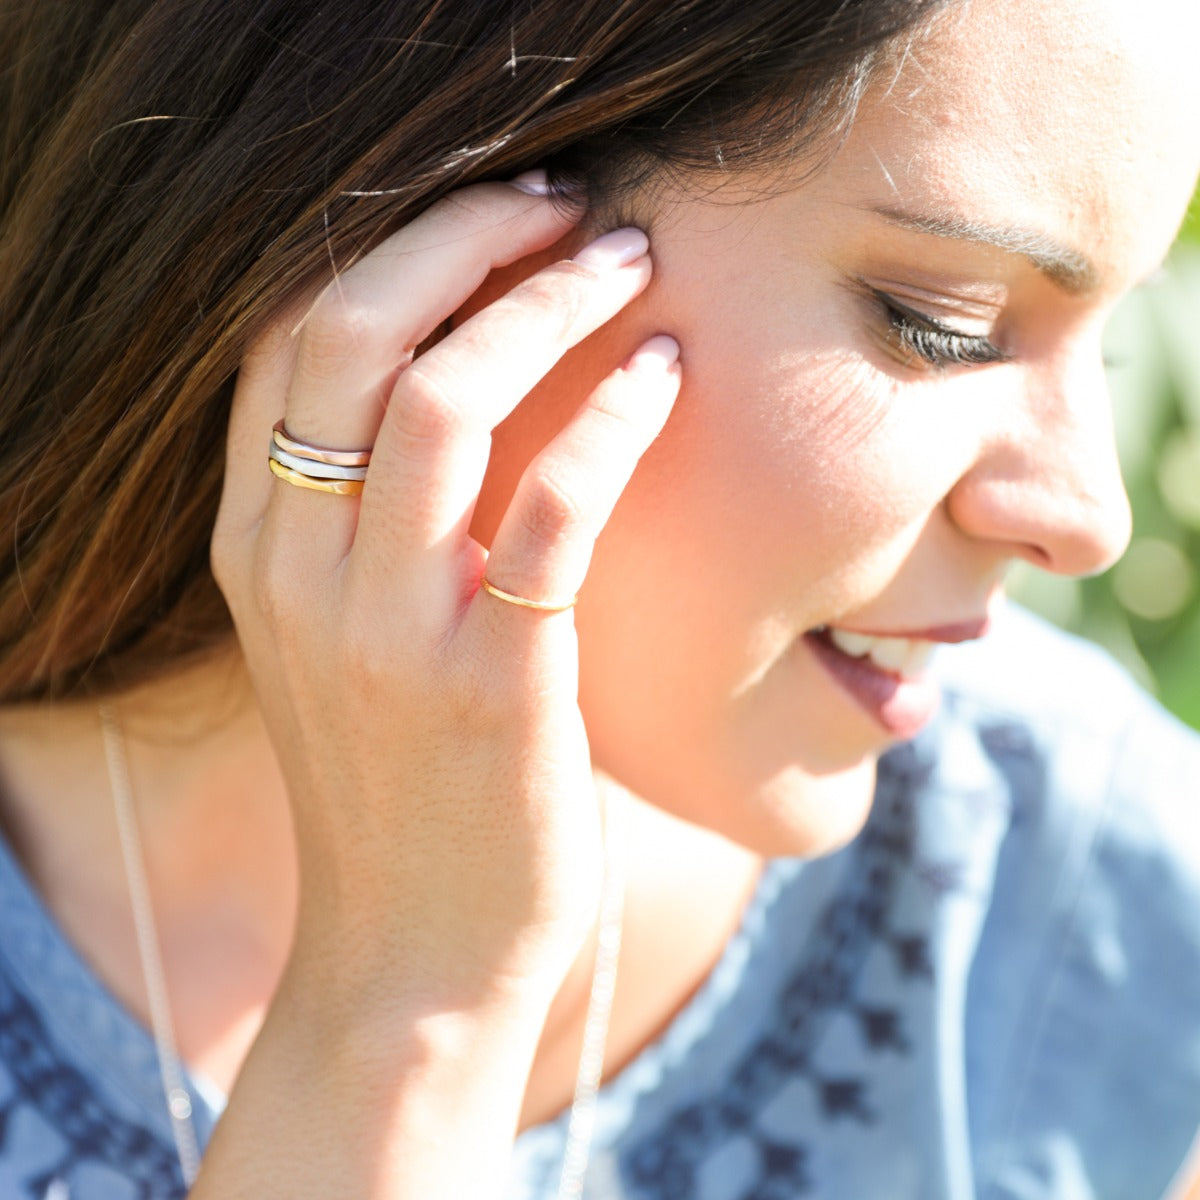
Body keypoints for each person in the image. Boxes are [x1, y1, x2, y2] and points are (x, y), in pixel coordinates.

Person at [1, 0, 1199, 1196]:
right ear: (434, 240)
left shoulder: (1111, 924)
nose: (1088, 515)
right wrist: (412, 1014)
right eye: (946, 327)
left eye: (1115, 339)